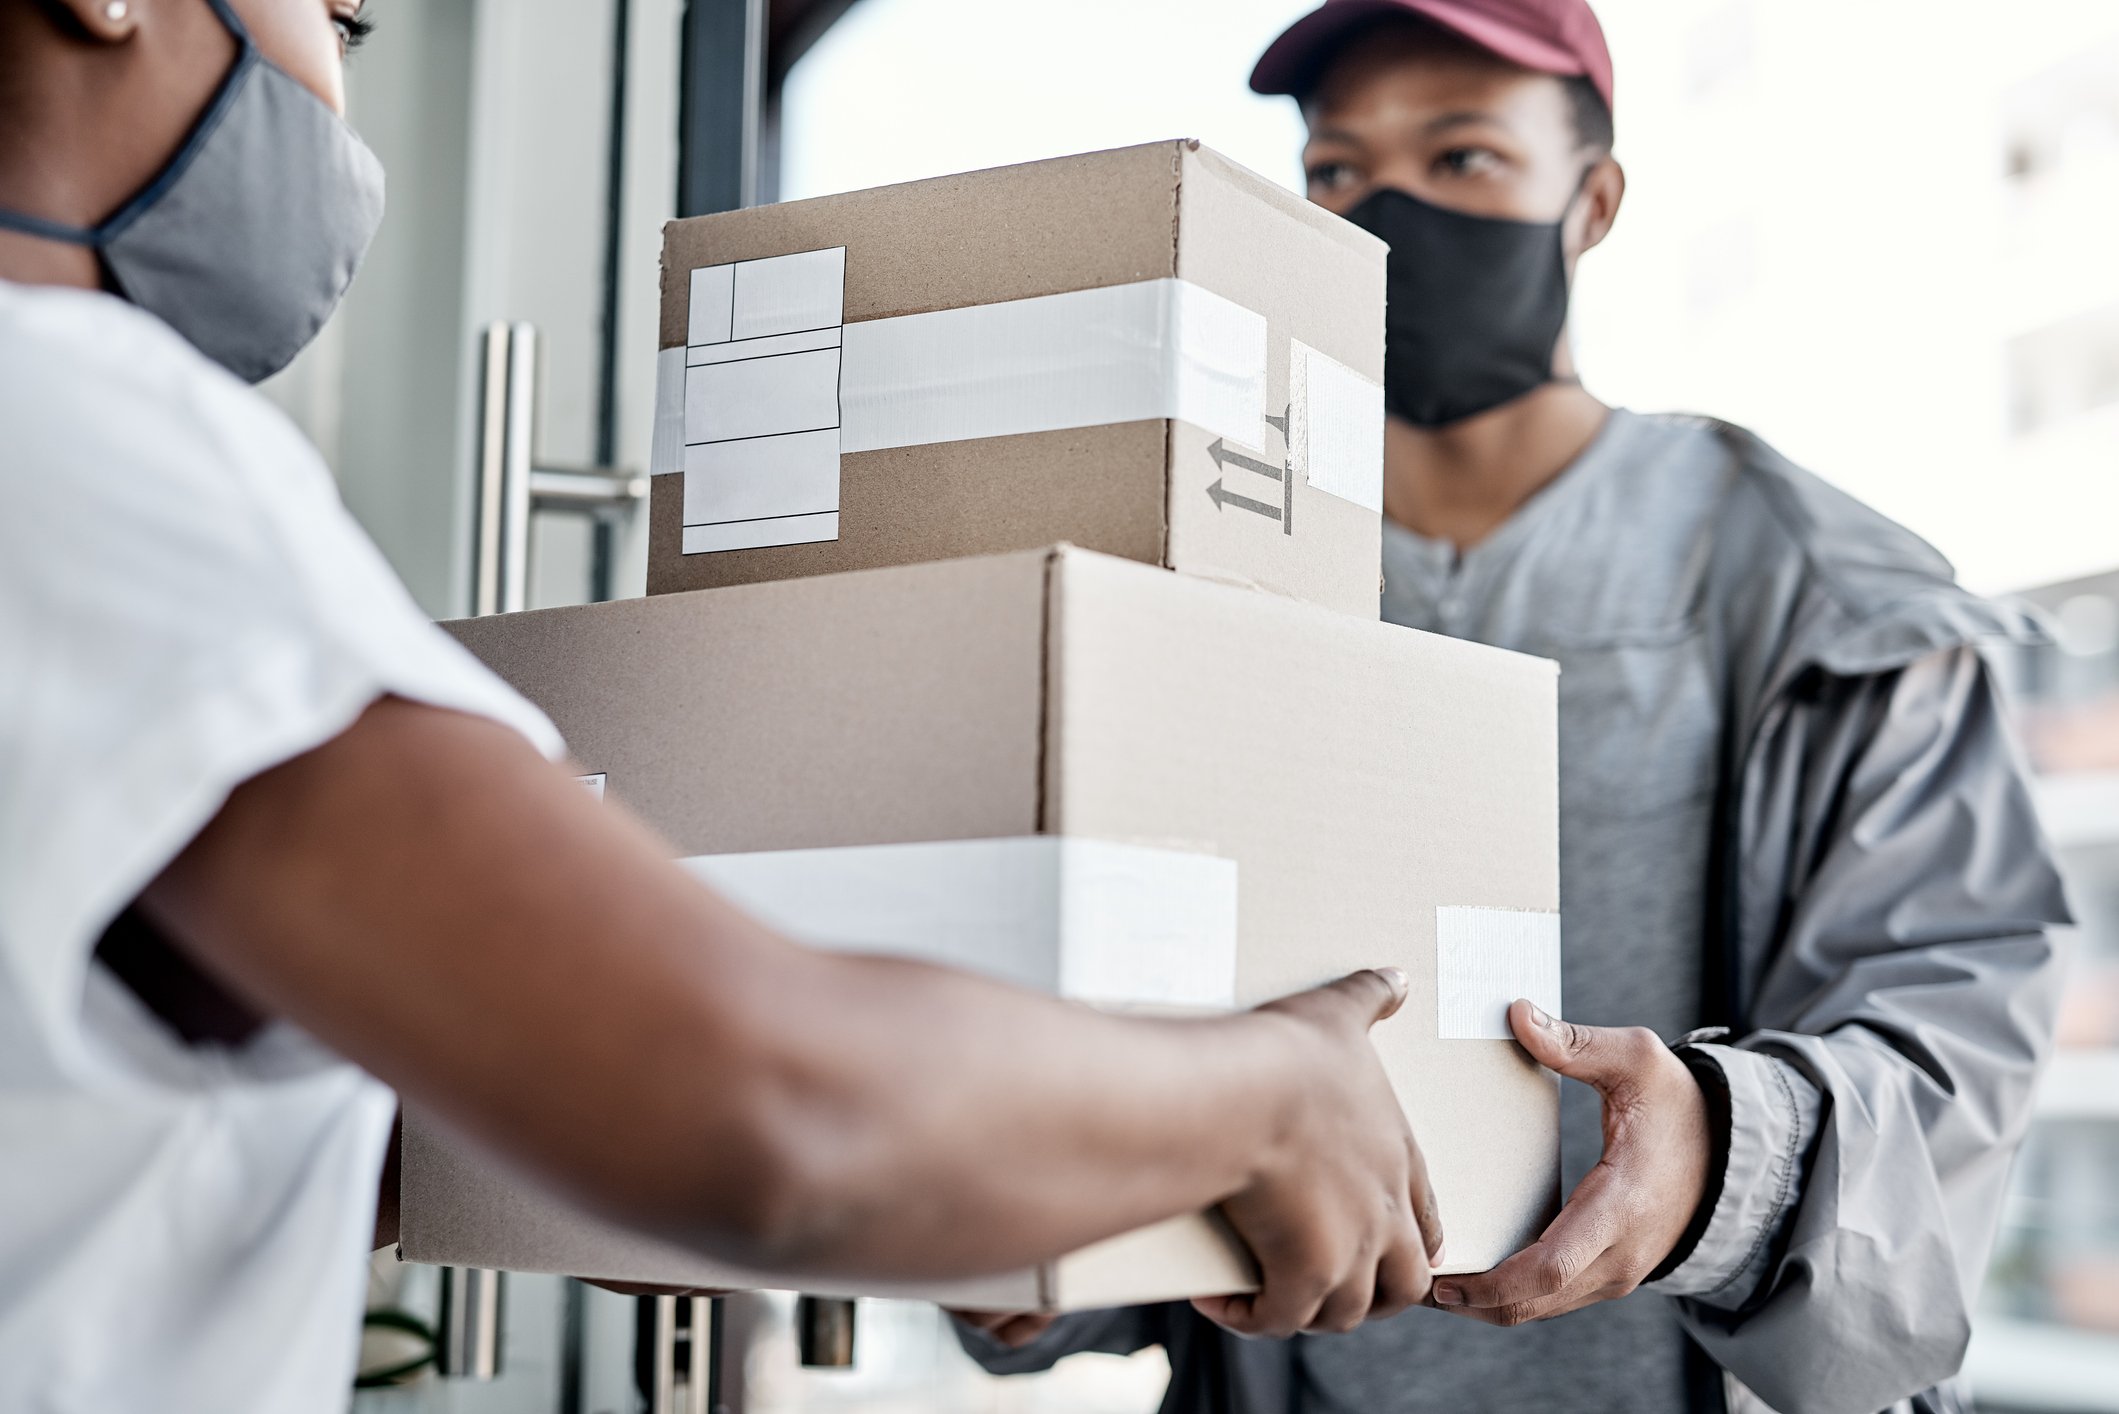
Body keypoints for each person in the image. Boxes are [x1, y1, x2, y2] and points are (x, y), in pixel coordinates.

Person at [0, 3, 1446, 1408]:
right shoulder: (84, 426)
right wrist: (1270, 1095)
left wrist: (980, 1144)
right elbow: (773, 1110)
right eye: (341, 14)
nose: (336, 93)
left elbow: (108, 1120)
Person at [955, 2, 2073, 1412]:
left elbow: (1951, 1056)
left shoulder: (1835, 597)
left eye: (1466, 157)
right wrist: (1016, 1243)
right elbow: (1105, 1030)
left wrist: (1723, 1160)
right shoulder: (1194, 578)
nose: (1389, 211)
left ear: (1592, 200)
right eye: (1339, 174)